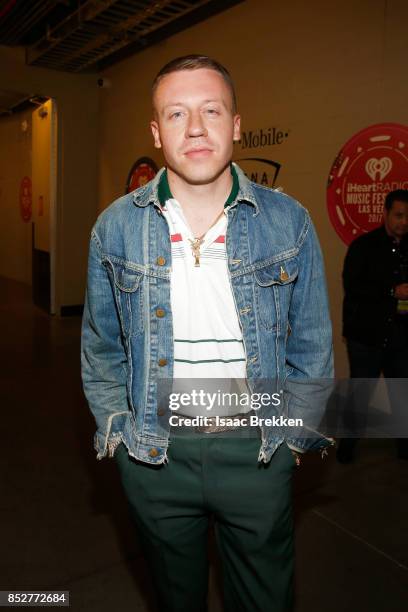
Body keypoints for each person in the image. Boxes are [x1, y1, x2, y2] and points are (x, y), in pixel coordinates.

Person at [81, 55, 333, 612]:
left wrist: (292, 439)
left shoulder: (287, 221)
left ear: (236, 125)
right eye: (176, 113)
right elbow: (101, 349)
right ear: (156, 131)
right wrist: (120, 434)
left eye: (211, 110)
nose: (195, 128)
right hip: (155, 456)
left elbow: (311, 347)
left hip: (257, 451)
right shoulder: (115, 227)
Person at [337, 189, 408, 463]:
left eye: (407, 217)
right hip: (366, 336)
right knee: (360, 393)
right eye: (398, 215)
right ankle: (346, 447)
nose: (403, 222)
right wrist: (392, 291)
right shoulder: (364, 246)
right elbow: (353, 287)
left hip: (401, 335)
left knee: (401, 392)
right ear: (386, 214)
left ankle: (404, 447)